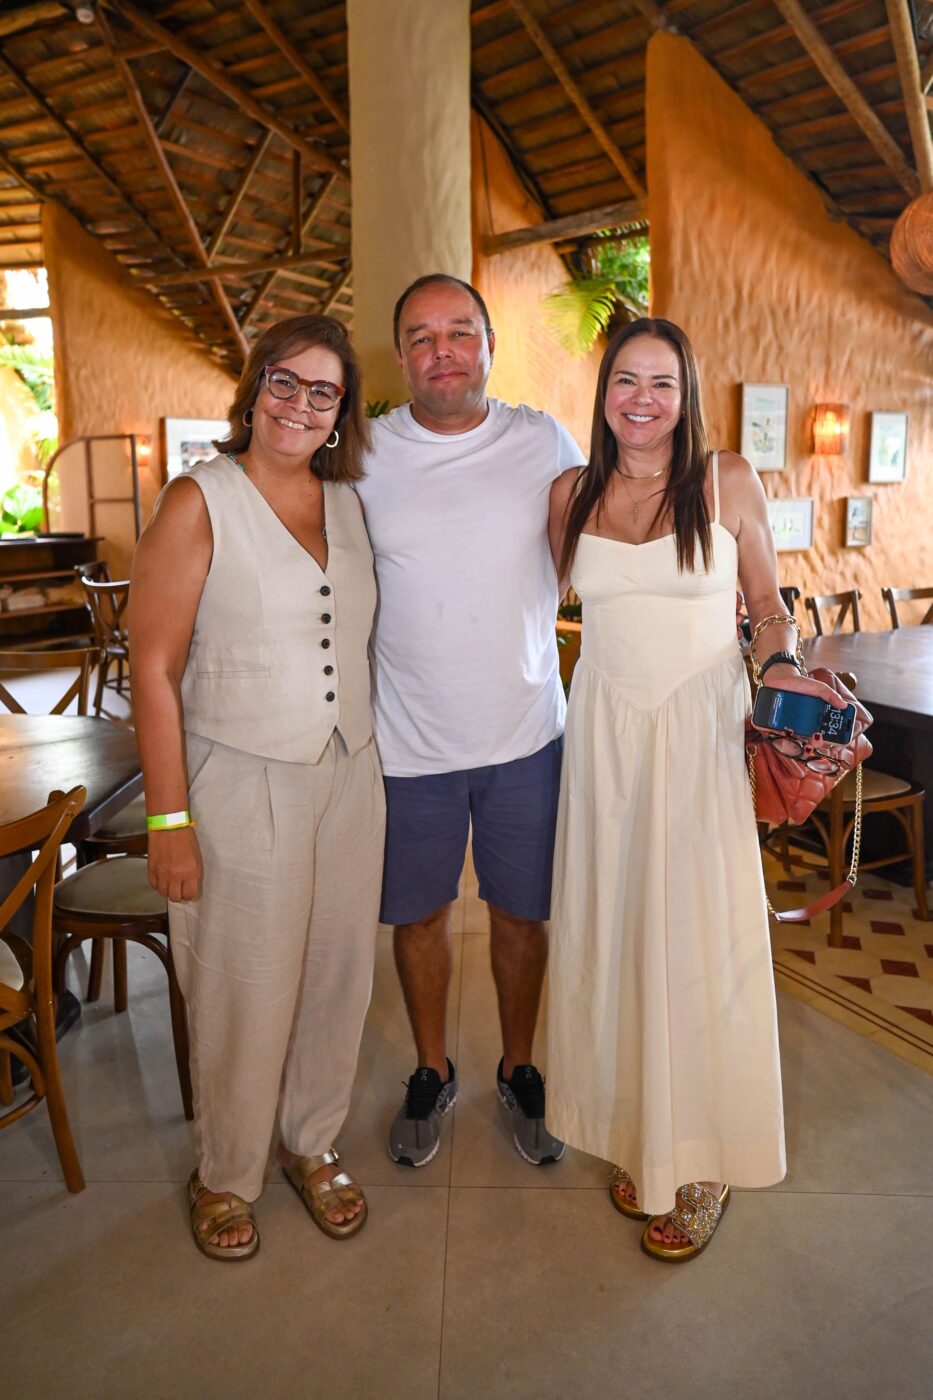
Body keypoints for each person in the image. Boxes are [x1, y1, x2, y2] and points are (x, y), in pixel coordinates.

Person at [546, 317, 846, 1261]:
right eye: (625, 380)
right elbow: (531, 608)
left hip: (702, 732)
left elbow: (766, 608)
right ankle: (642, 1128)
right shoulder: (570, 494)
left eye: (661, 383)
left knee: (700, 939)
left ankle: (707, 1154)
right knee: (616, 930)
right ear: (603, 392)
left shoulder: (725, 480)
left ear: (685, 397)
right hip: (603, 734)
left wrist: (783, 664)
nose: (642, 399)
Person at [128, 315, 385, 1261]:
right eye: (284, 381)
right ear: (254, 386)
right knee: (243, 984)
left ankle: (310, 1142)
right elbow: (152, 668)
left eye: (322, 392)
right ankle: (226, 1172)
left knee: (336, 976)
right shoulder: (200, 499)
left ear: (340, 411)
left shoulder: (349, 504)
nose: (298, 405)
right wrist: (169, 818)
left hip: (350, 772)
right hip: (240, 774)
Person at [354, 274, 584, 1168]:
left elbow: (586, 552)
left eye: (458, 332)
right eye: (421, 336)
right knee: (419, 919)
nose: (441, 350)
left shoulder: (542, 439)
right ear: (400, 355)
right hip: (407, 740)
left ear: (489, 344)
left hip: (526, 733)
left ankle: (519, 1068)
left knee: (521, 917)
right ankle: (431, 1068)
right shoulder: (365, 452)